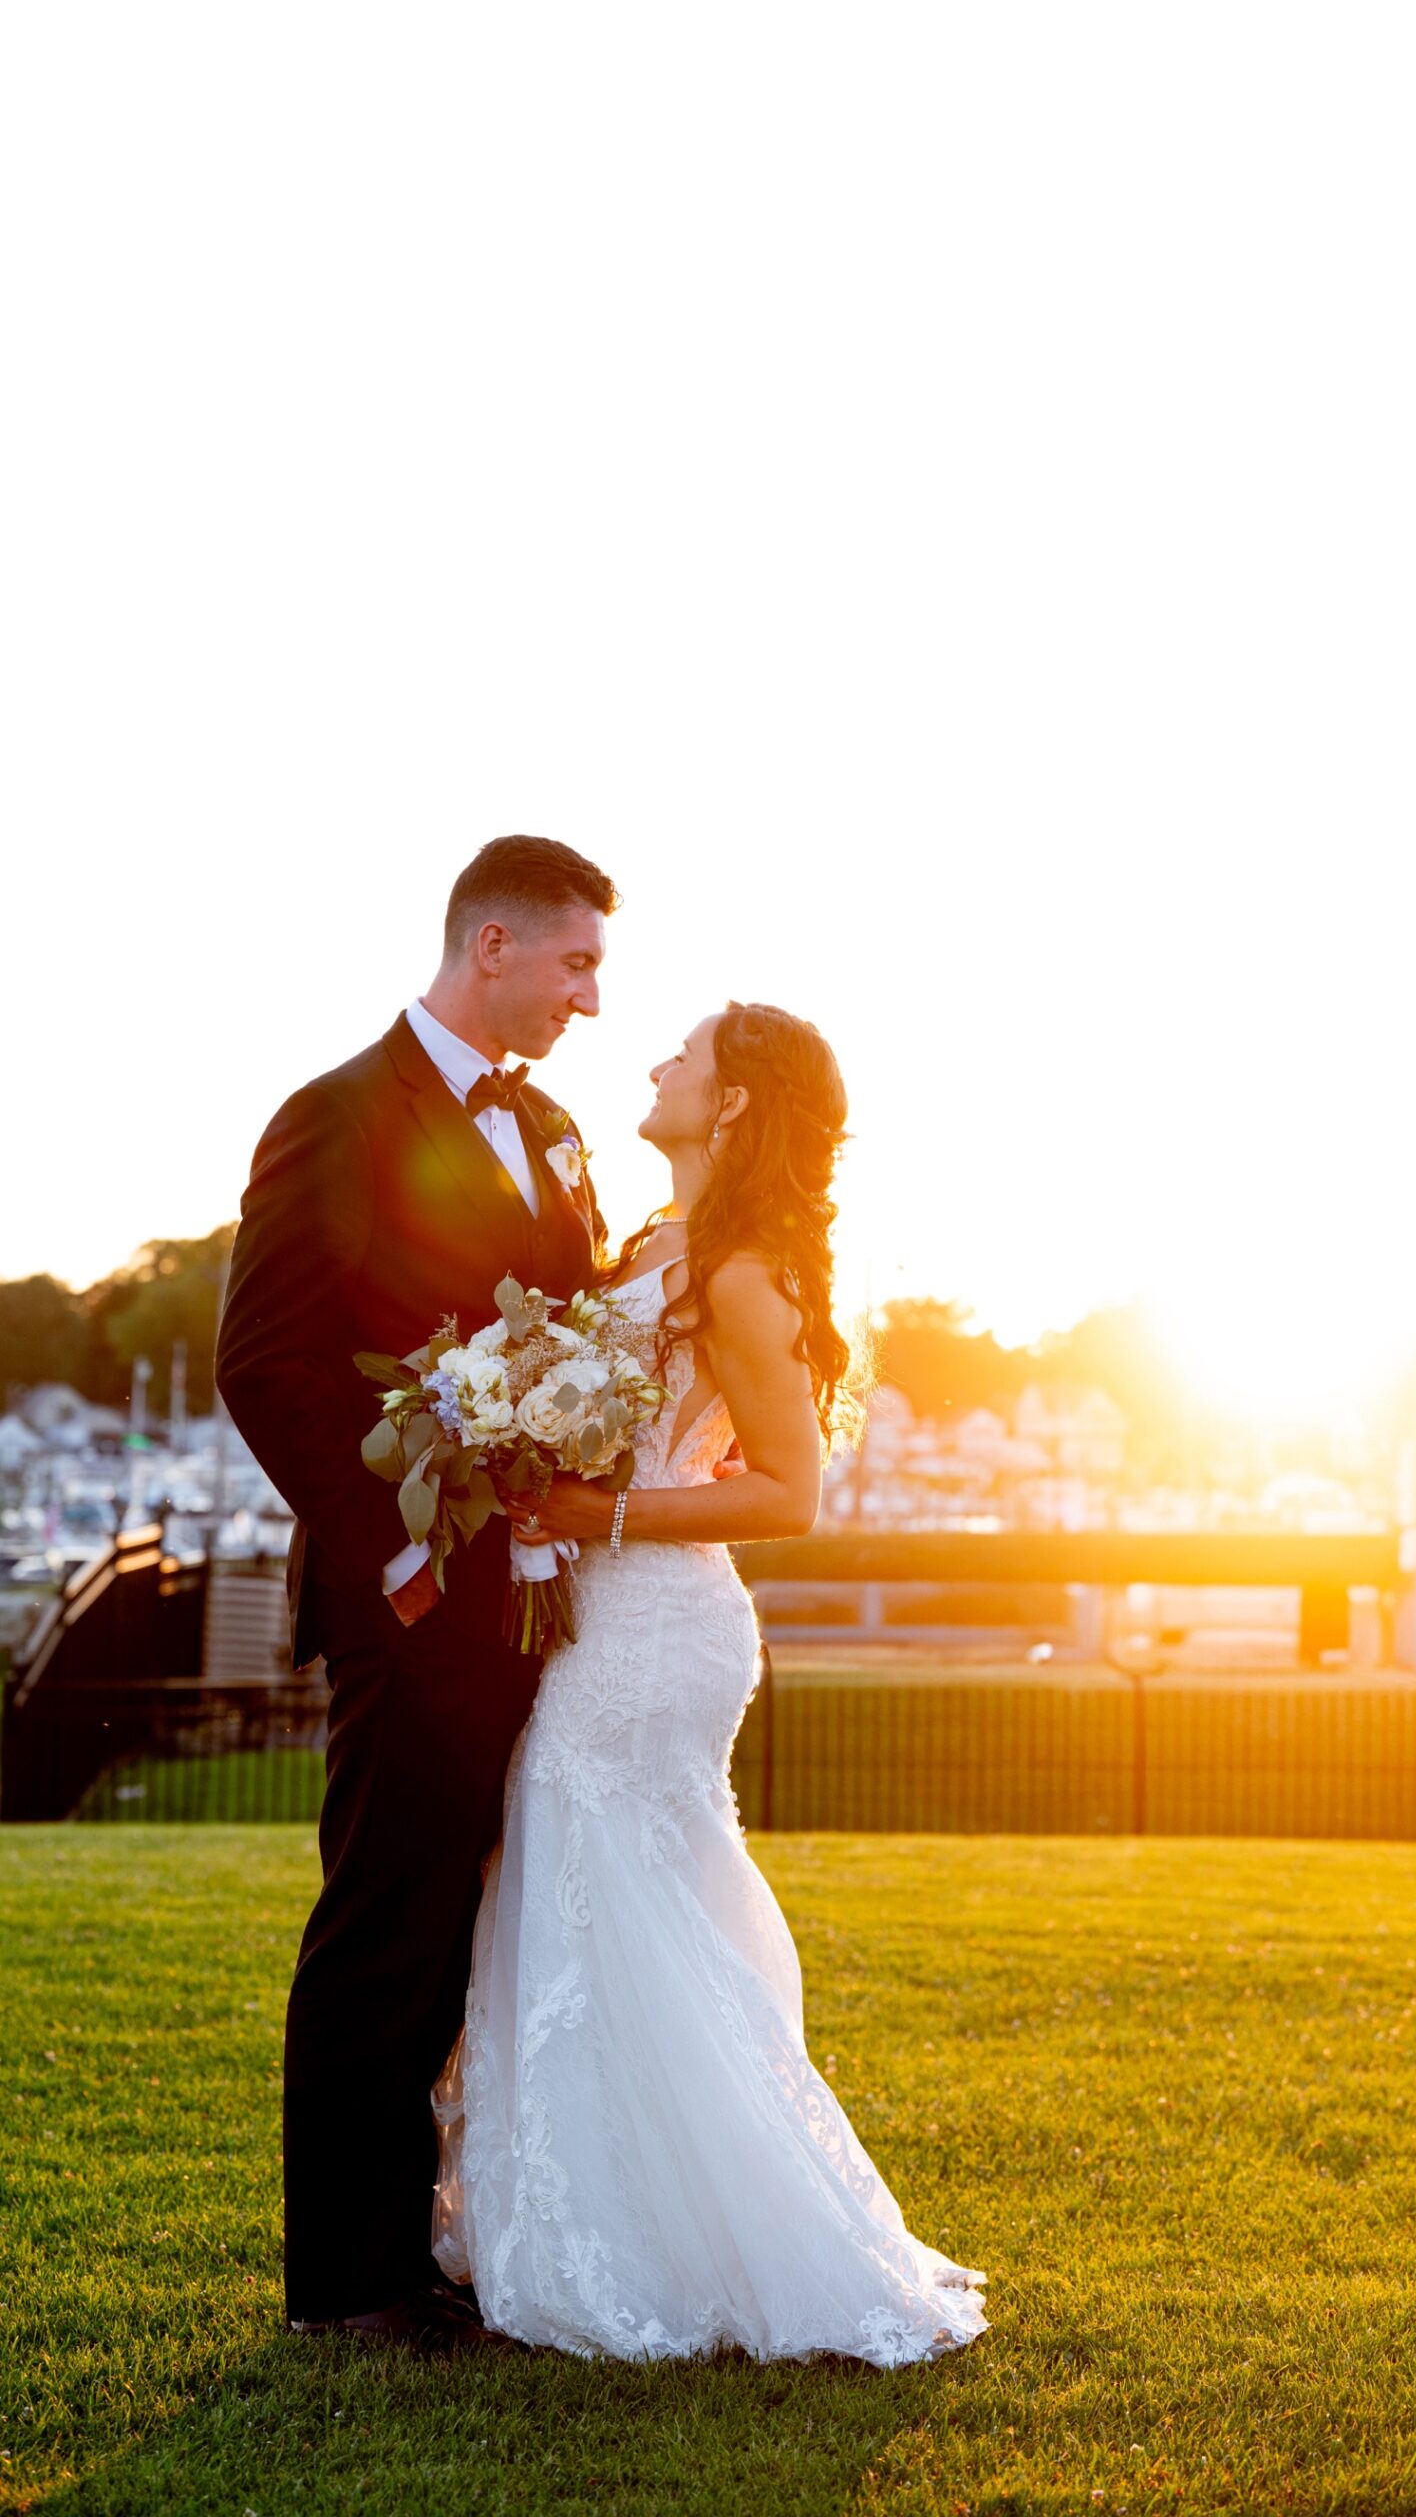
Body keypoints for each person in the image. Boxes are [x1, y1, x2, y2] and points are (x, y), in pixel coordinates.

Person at [431, 1002, 987, 2363]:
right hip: (599, 1607)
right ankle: (602, 2213)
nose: (655, 1066)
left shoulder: (744, 1271)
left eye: (682, 1058)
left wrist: (594, 1515)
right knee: (589, 1884)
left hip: (658, 1626)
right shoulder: (655, 1249)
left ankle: (664, 2241)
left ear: (733, 1104)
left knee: (591, 1870)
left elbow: (789, 1494)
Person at [216, 834, 615, 2349]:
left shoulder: (561, 1127)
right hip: (412, 1595)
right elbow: (269, 1363)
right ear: (491, 945)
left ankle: (454, 2232)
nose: (591, 997)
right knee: (390, 1918)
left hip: (534, 1593)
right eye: (575, 962)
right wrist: (396, 1550)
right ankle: (350, 2282)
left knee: (491, 1916)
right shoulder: (333, 1115)